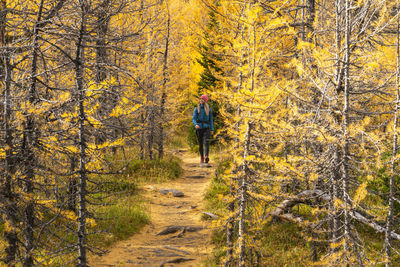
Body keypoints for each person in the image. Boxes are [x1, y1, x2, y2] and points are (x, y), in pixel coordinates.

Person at [192, 94, 214, 164]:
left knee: (206, 142)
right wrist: (195, 124)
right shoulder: (197, 108)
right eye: (200, 99)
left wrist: (212, 129)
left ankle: (206, 156)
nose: (201, 100)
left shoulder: (209, 109)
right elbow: (194, 118)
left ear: (205, 101)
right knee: (200, 143)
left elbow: (211, 120)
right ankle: (202, 157)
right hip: (199, 128)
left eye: (202, 99)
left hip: (206, 128)